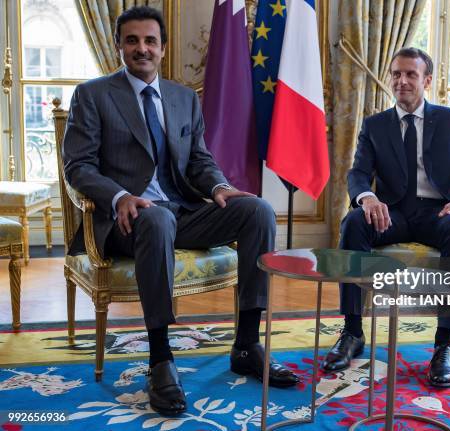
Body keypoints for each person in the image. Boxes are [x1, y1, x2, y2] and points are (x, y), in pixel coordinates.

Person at [62, 6, 298, 416]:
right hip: (128, 220)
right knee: (156, 216)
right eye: (132, 40)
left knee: (258, 210)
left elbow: (199, 161)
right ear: (119, 46)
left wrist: (219, 187)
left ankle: (246, 345)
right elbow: (78, 166)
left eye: (150, 41)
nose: (142, 48)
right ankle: (160, 358)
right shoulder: (93, 95)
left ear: (163, 48)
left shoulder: (184, 97)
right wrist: (119, 197)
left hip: (181, 210)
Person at [321, 47, 450, 388]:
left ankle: (445, 343)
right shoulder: (374, 125)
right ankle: (352, 332)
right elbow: (357, 174)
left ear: (426, 80)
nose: (402, 81)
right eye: (396, 74)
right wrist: (367, 198)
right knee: (354, 222)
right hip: (393, 213)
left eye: (410, 74)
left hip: (440, 212)